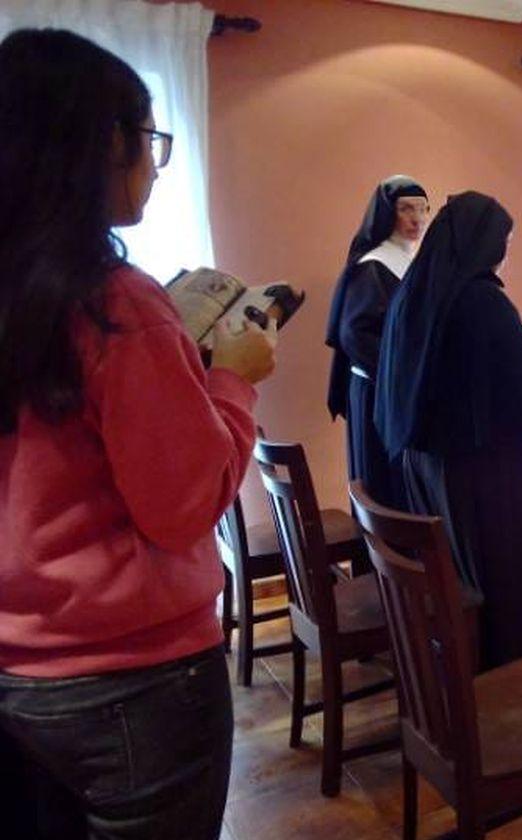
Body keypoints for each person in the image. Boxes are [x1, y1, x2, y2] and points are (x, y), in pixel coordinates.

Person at [0, 29, 276, 839]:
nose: (156, 163)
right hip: (132, 676)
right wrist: (231, 378)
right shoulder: (114, 303)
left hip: (17, 663)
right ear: (106, 143)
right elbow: (183, 507)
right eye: (150, 139)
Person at [373, 191, 522, 670]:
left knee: (461, 572)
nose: (504, 253)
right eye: (503, 241)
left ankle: (467, 666)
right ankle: (518, 680)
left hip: (432, 465)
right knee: (501, 581)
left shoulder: (418, 290)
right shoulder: (482, 300)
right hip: (486, 474)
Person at [326, 175, 429, 498]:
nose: (417, 218)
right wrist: (399, 375)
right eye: (406, 209)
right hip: (376, 389)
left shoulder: (411, 260)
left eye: (423, 209)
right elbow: (354, 334)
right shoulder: (373, 265)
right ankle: (384, 548)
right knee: (382, 484)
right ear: (387, 213)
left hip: (395, 388)